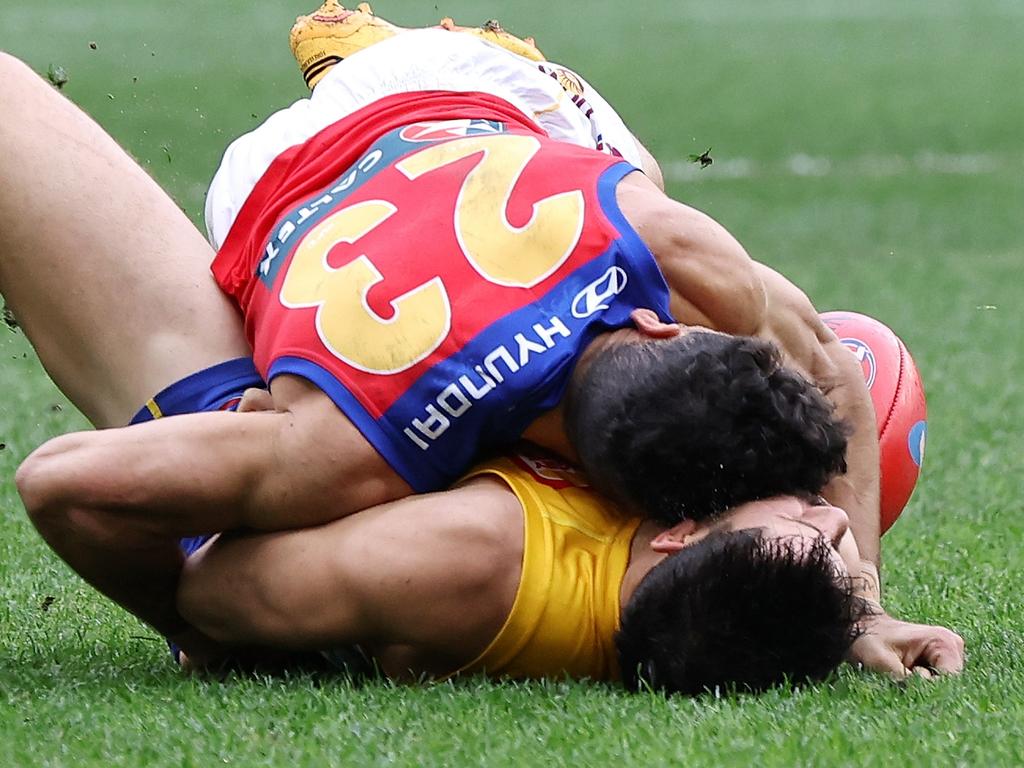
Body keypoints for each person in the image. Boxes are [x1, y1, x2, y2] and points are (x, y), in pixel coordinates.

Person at [8, 12, 884, 665]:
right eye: (819, 507)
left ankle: (369, 59)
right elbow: (831, 367)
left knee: (638, 181)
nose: (825, 512)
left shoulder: (664, 255)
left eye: (810, 517)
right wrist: (200, 635)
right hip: (365, 151)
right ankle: (365, 56)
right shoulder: (369, 460)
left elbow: (825, 362)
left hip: (433, 128)